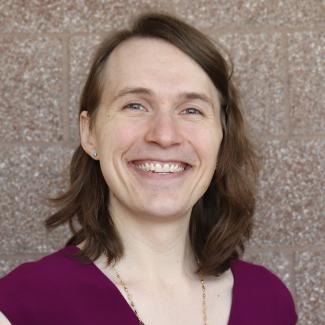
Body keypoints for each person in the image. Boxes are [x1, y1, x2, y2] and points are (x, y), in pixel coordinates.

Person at [0, 12, 297, 325]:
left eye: (192, 109)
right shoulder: (21, 307)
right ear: (90, 133)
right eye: (135, 105)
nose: (164, 135)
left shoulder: (270, 303)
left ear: (222, 138)